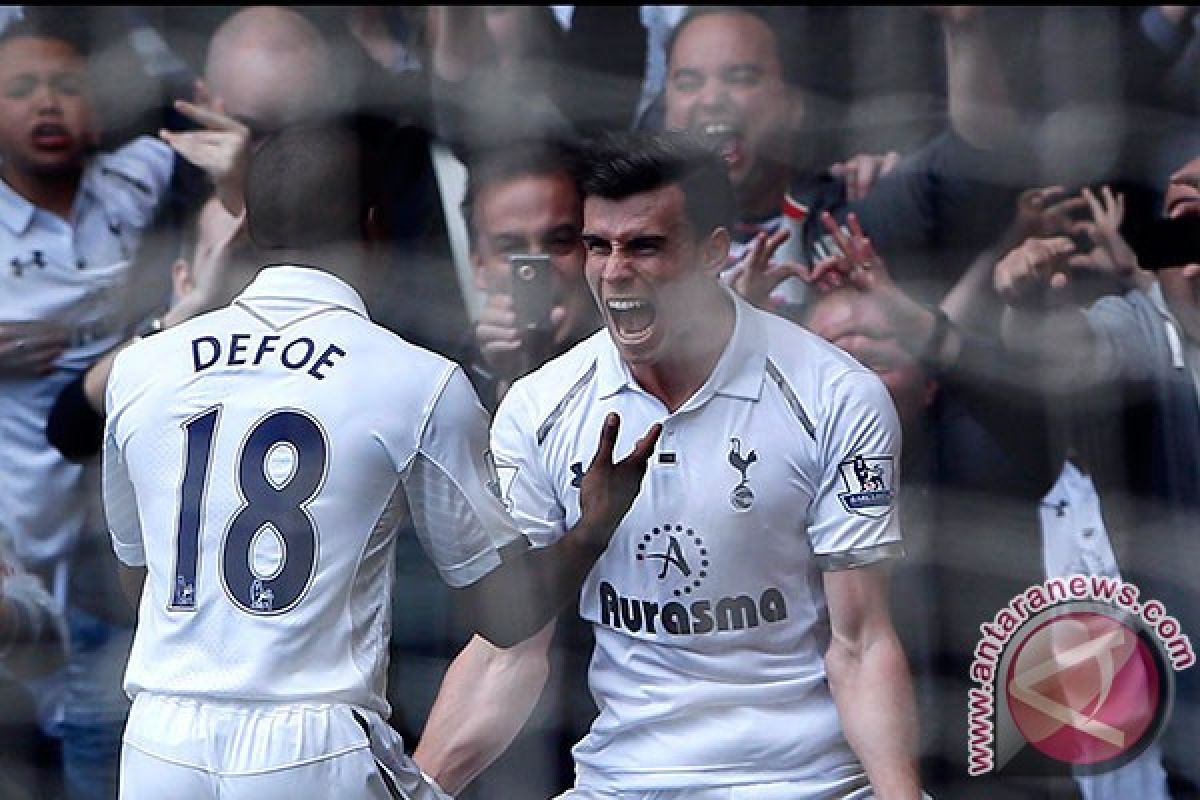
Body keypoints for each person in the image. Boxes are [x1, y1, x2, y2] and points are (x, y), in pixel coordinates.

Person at [101, 114, 659, 799]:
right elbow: (505, 616)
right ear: (375, 228)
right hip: (312, 742)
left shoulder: (141, 370)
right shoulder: (415, 380)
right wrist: (592, 525)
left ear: (246, 227)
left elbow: (138, 582)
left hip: (160, 738)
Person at [414, 130, 923, 799]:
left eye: (645, 246)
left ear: (715, 251)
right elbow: (508, 655)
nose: (615, 272)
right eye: (598, 246)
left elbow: (860, 646)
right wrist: (414, 790)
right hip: (622, 783)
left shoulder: (833, 395)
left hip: (807, 783)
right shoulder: (538, 409)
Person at [660, 5, 1025, 313]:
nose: (711, 100)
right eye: (688, 83)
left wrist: (963, 30)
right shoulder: (627, 237)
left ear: (794, 105)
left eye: (740, 78)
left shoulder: (850, 211)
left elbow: (978, 159)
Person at [461, 136, 600, 410]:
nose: (537, 267)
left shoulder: (645, 353)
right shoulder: (451, 381)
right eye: (512, 248)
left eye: (559, 241)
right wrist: (506, 381)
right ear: (479, 267)